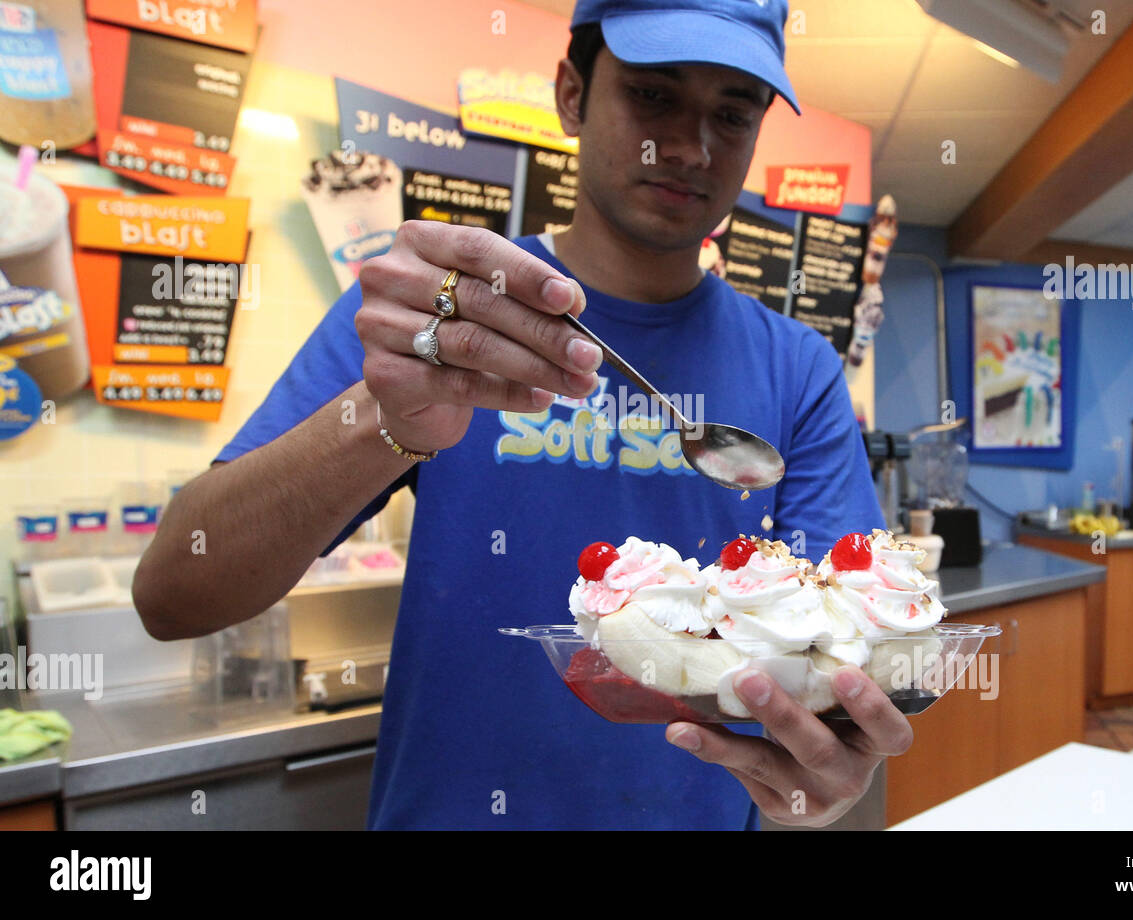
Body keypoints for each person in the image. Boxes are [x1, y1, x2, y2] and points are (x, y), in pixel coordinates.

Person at [133, 0, 911, 830]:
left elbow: (847, 660)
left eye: (731, 112)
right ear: (572, 94)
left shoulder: (798, 370)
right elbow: (174, 596)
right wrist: (386, 416)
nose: (689, 147)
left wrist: (821, 789)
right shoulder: (440, 319)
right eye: (652, 96)